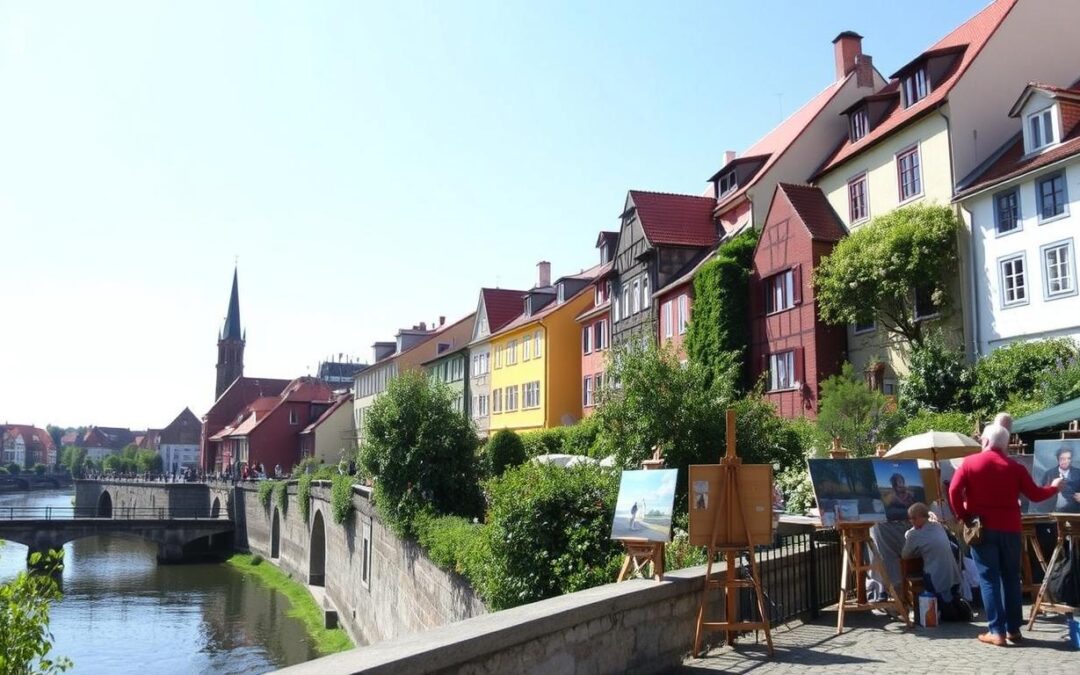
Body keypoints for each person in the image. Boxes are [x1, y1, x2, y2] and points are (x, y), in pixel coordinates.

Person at [948, 423, 1063, 646]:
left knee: (989, 579)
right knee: (1011, 578)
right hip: (1011, 529)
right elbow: (1036, 495)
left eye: (982, 440)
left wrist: (964, 515)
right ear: (1006, 444)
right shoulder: (1016, 467)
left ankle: (996, 631)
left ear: (987, 441)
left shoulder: (970, 463)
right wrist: (1055, 487)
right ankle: (1013, 630)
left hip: (982, 529)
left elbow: (953, 491)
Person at [902, 502, 961, 603]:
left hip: (936, 581)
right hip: (954, 578)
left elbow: (905, 555)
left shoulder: (914, 534)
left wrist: (908, 534)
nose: (910, 521)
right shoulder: (938, 526)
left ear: (919, 517)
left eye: (912, 518)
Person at [1040, 446, 1080, 514]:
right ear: (1058, 459)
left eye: (1068, 458)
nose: (1066, 461)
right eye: (1062, 458)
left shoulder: (1078, 473)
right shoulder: (1049, 474)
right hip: (1053, 514)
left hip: (1075, 513)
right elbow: (1042, 494)